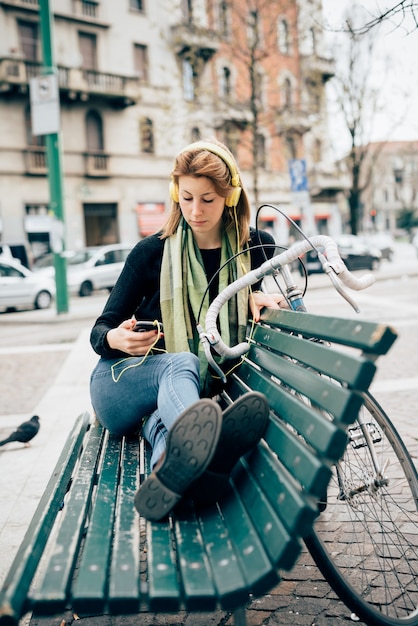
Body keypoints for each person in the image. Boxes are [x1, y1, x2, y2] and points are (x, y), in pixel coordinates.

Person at [89, 138, 286, 521]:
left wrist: (259, 294)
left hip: (170, 403)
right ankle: (209, 442)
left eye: (208, 199)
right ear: (175, 194)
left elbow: (247, 295)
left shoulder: (254, 249)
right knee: (181, 363)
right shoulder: (151, 253)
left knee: (165, 432)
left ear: (230, 198)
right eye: (187, 197)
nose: (195, 211)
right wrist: (115, 338)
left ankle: (180, 482)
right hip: (120, 385)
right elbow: (101, 330)